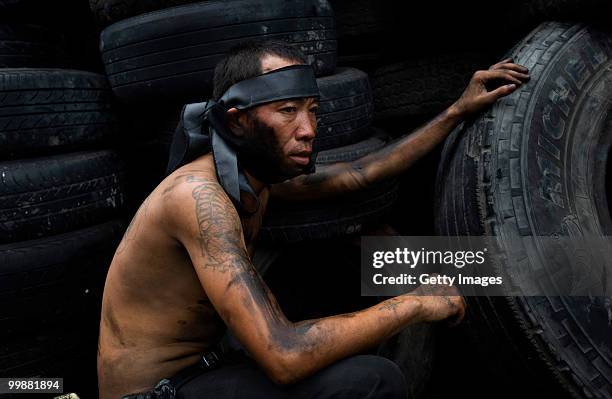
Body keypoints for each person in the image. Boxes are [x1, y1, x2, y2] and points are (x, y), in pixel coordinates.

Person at [97, 40, 530, 399]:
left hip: (207, 368)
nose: (308, 129)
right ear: (238, 121)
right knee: (371, 381)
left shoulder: (254, 177)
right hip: (156, 394)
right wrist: (414, 302)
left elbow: (360, 173)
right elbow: (284, 357)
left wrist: (457, 111)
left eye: (312, 110)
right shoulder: (198, 198)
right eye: (287, 111)